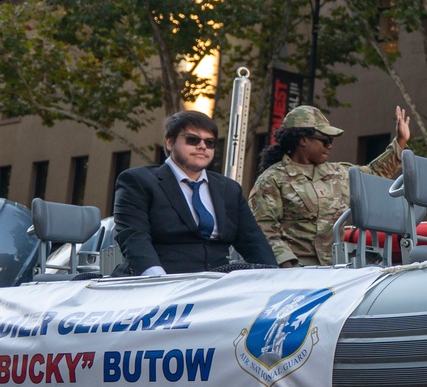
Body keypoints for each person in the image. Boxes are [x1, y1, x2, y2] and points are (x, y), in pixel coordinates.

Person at [113, 110, 277, 275]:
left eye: (210, 142)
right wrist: (156, 279)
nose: (202, 146)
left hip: (217, 287)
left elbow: (253, 241)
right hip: (160, 284)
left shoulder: (229, 189)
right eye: (192, 139)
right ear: (169, 143)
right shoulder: (137, 181)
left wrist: (275, 277)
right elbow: (134, 236)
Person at [248, 105, 410, 267]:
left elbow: (375, 173)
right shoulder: (272, 179)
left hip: (336, 269)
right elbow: (264, 229)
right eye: (325, 140)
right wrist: (288, 267)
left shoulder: (339, 173)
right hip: (295, 271)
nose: (330, 146)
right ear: (303, 140)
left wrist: (400, 141)